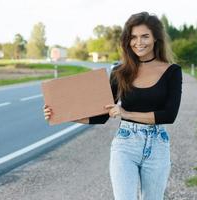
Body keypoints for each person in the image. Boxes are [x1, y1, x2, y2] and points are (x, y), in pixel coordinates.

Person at [43, 11, 182, 200]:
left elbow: (169, 115)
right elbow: (101, 116)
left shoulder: (172, 71)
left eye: (144, 36)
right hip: (125, 145)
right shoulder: (120, 72)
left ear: (156, 38)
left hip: (158, 145)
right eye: (133, 37)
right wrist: (61, 113)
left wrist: (126, 113)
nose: (138, 42)